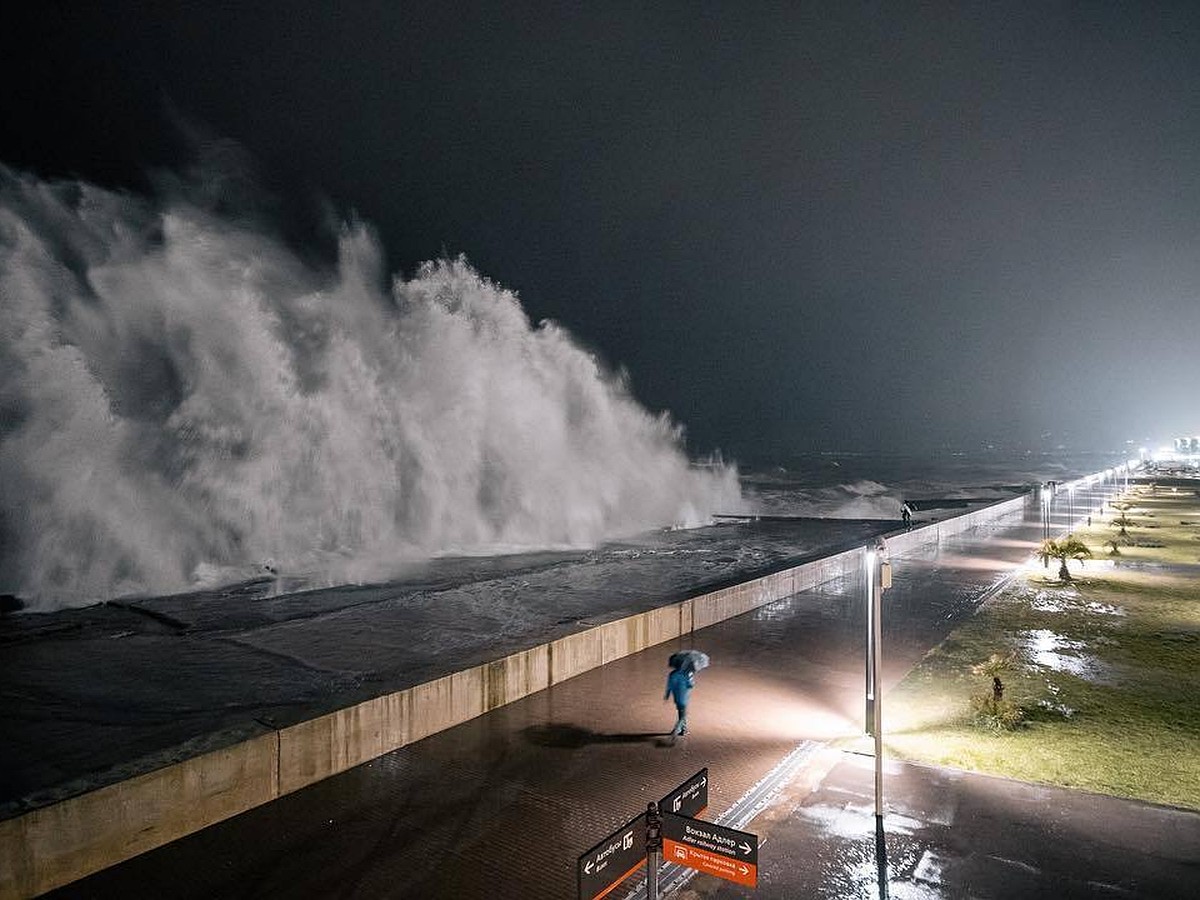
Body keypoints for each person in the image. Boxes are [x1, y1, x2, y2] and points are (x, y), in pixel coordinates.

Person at [664, 661, 695, 736]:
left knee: (681, 713)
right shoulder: (687, 673)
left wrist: (667, 695)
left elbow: (669, 686)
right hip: (684, 697)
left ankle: (683, 730)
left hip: (676, 697)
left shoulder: (672, 674)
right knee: (683, 715)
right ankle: (676, 729)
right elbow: (690, 685)